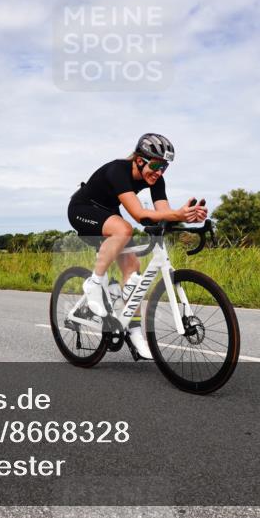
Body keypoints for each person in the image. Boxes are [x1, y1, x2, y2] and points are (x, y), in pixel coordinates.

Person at [67, 133, 207, 359]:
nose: (160, 172)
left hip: (108, 214)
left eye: (165, 167)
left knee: (133, 271)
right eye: (156, 164)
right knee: (124, 229)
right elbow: (140, 214)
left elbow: (162, 214)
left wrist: (187, 217)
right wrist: (176, 214)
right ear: (140, 160)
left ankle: (133, 331)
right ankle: (94, 284)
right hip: (82, 209)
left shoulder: (157, 180)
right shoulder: (118, 170)